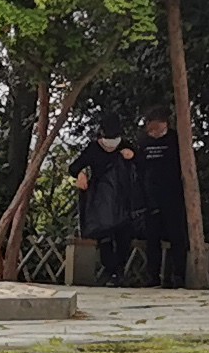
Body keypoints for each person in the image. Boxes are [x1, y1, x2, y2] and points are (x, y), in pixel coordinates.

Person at [69, 126, 143, 285]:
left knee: (124, 236)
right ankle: (111, 270)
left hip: (124, 201)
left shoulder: (126, 145)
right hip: (101, 201)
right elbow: (74, 167)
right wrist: (80, 174)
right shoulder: (93, 149)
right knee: (104, 237)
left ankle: (120, 271)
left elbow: (142, 165)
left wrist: (133, 156)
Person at [131, 111, 186, 286]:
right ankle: (152, 276)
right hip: (150, 198)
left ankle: (178, 275)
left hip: (173, 196)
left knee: (177, 237)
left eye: (156, 127)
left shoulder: (175, 140)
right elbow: (138, 167)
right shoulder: (144, 143)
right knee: (152, 239)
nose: (152, 131)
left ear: (164, 124)